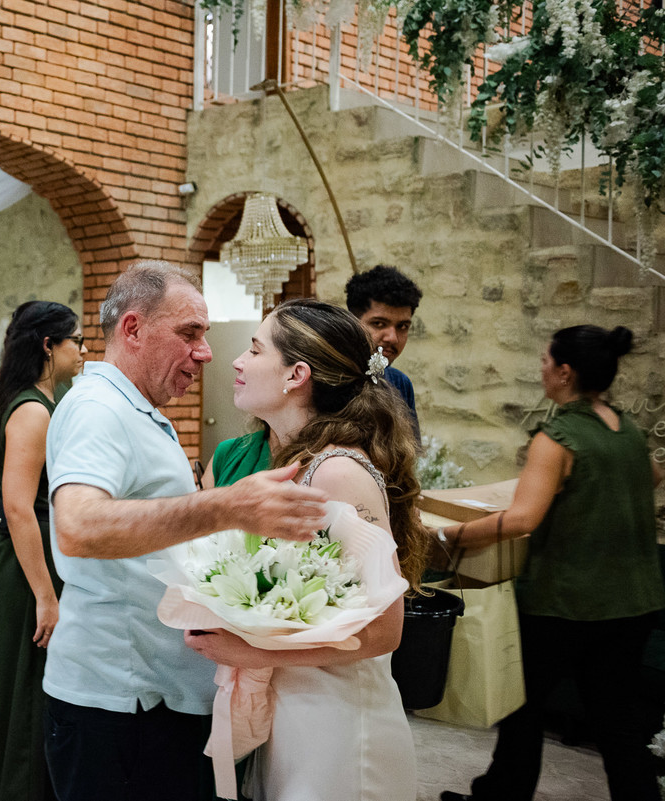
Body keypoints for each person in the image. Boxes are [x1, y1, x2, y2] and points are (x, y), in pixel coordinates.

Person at [44, 260, 329, 801]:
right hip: (121, 701)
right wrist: (227, 507)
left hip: (156, 694)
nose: (206, 352)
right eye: (190, 333)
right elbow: (78, 526)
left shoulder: (136, 407)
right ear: (133, 329)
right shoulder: (98, 409)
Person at [184, 298, 426, 801]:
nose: (237, 361)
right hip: (289, 700)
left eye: (255, 350)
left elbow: (386, 630)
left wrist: (252, 649)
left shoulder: (336, 472)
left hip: (337, 715)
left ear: (296, 375)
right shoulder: (283, 461)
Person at [439, 325, 665, 801]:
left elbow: (522, 518)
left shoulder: (557, 437)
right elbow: (652, 477)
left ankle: (500, 797)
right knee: (618, 723)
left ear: (564, 372)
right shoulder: (628, 430)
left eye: (545, 361)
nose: (540, 369)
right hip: (634, 601)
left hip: (566, 603)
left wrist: (446, 535)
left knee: (521, 706)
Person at [0, 301, 87, 801]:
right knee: (21, 685)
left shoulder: (53, 394)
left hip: (29, 545)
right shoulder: (30, 408)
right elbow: (18, 506)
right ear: (48, 346)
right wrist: (46, 596)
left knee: (19, 682)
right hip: (20, 550)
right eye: (77, 340)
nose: (84, 350)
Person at [345, 265, 422, 435]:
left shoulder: (400, 383)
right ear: (352, 323)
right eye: (379, 324)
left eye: (402, 326)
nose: (392, 338)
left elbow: (412, 450)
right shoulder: (328, 380)